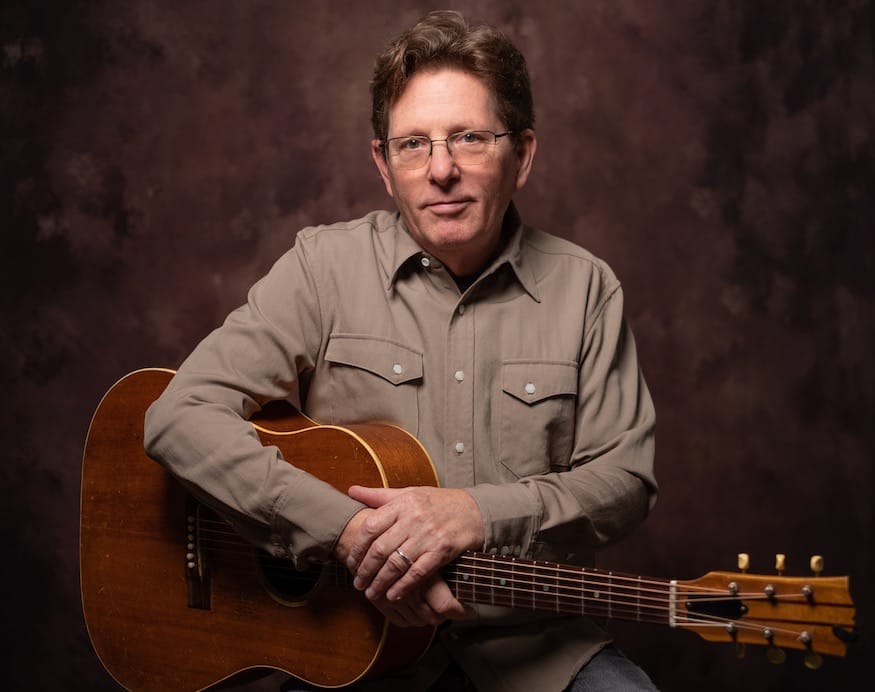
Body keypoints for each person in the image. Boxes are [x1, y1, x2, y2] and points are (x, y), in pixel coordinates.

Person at [144, 10, 658, 692]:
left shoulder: (586, 287)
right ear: (383, 166)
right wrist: (347, 533)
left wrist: (476, 514)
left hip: (530, 646)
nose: (440, 169)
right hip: (346, 645)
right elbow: (178, 416)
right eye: (412, 144)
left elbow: (623, 481)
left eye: (469, 138)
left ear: (522, 154)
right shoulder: (320, 267)